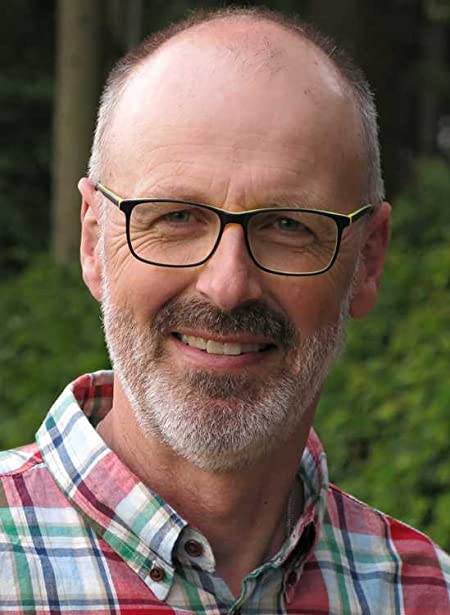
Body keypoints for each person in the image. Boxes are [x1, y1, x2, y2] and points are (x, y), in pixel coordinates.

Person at [0, 7, 448, 614]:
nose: (227, 286)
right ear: (93, 240)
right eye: (176, 216)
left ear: (368, 260)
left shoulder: (425, 595)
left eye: (287, 225)